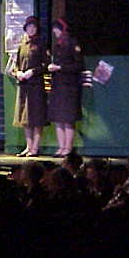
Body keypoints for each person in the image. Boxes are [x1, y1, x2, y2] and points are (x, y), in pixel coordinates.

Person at [47, 18, 84, 157]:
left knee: (68, 119)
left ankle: (68, 148)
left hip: (69, 86)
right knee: (58, 118)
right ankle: (61, 147)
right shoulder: (57, 45)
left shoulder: (73, 43)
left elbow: (79, 65)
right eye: (54, 29)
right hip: (57, 85)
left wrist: (60, 67)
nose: (54, 31)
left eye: (57, 28)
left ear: (63, 29)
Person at [13, 16, 47, 157]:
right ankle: (29, 146)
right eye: (29, 27)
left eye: (34, 27)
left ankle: (35, 147)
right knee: (25, 118)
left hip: (36, 85)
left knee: (37, 117)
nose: (32, 29)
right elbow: (16, 64)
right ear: (25, 29)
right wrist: (18, 73)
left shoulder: (40, 44)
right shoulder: (22, 44)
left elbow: (45, 65)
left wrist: (33, 71)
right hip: (24, 86)